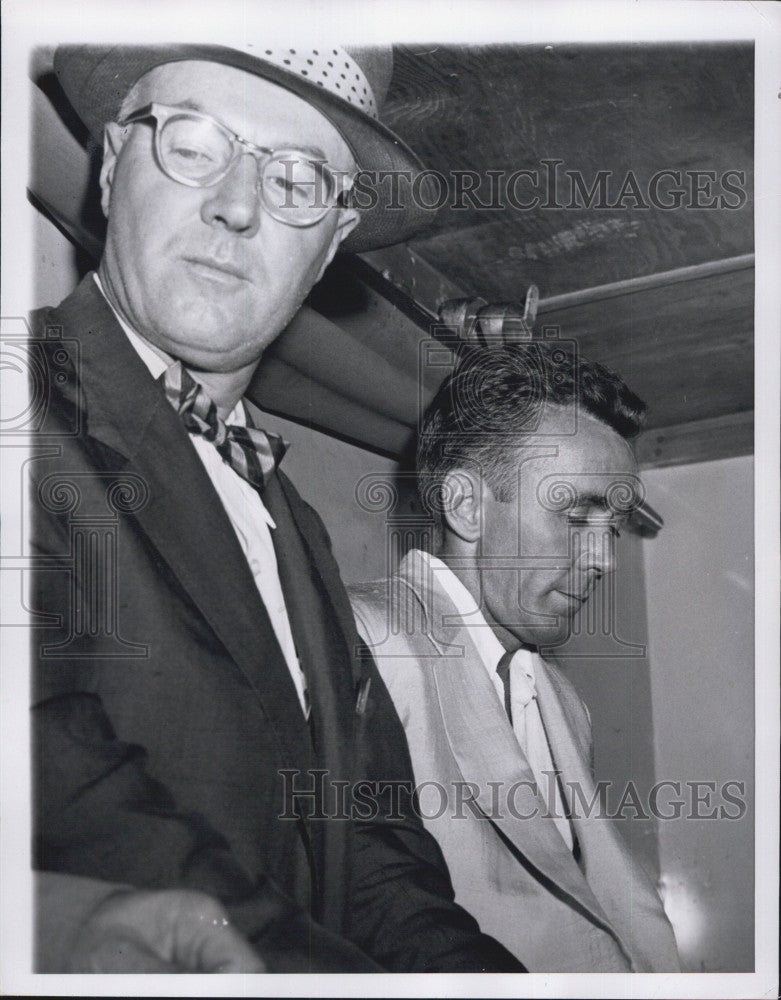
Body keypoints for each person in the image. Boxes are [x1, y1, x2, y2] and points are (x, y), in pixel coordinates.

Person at [29, 44, 521, 973]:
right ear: (108, 169)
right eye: (194, 143)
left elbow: (373, 854)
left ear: (332, 241)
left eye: (296, 179)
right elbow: (53, 780)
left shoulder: (291, 521)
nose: (238, 204)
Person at [349, 343, 682, 972]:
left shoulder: (562, 701)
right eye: (575, 512)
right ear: (467, 505)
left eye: (610, 527)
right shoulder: (359, 637)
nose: (605, 559)